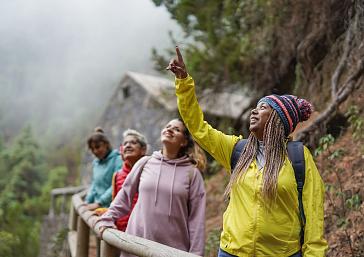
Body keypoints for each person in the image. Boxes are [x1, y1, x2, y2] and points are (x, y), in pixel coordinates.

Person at [167, 46, 328, 257]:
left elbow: (313, 213)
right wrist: (184, 82)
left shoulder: (298, 158)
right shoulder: (237, 150)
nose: (254, 110)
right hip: (232, 252)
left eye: (263, 108)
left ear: (278, 120)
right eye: (256, 106)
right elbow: (198, 128)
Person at [95, 119, 206, 257]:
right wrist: (107, 218)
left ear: (183, 141)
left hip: (172, 251)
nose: (170, 130)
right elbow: (124, 196)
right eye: (168, 126)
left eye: (177, 129)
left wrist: (196, 253)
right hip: (136, 245)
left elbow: (196, 218)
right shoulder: (145, 162)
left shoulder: (192, 173)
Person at [95, 129, 147, 232]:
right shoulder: (117, 175)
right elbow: (117, 203)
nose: (128, 145)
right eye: (125, 143)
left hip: (142, 231)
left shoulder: (150, 172)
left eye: (133, 142)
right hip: (121, 231)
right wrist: (106, 213)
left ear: (143, 150)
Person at [85, 127, 122, 211]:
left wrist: (99, 203)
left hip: (112, 208)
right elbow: (95, 184)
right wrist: (87, 201)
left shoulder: (117, 160)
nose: (95, 151)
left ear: (106, 144)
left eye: (97, 147)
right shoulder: (96, 163)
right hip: (97, 207)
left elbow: (116, 185)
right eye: (92, 149)